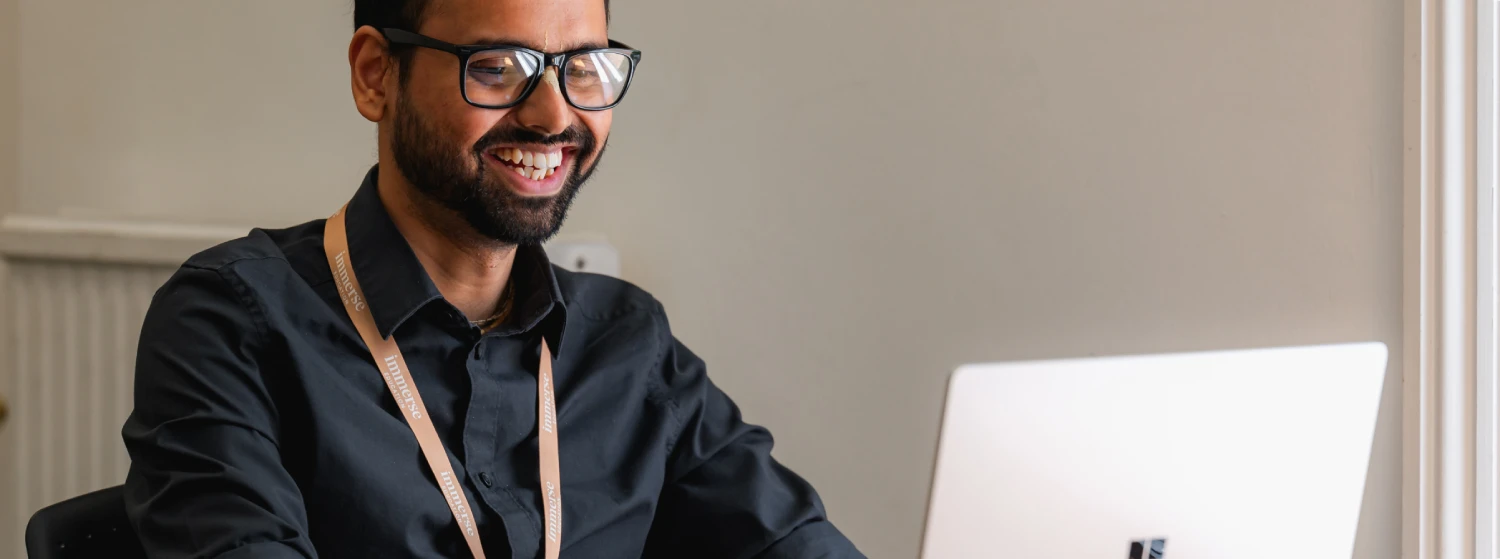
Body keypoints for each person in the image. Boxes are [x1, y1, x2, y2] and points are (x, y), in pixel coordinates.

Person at [120, 0, 864, 557]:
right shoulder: (231, 323)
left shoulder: (627, 346)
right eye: (499, 67)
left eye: (585, 68)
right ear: (377, 75)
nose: (553, 114)